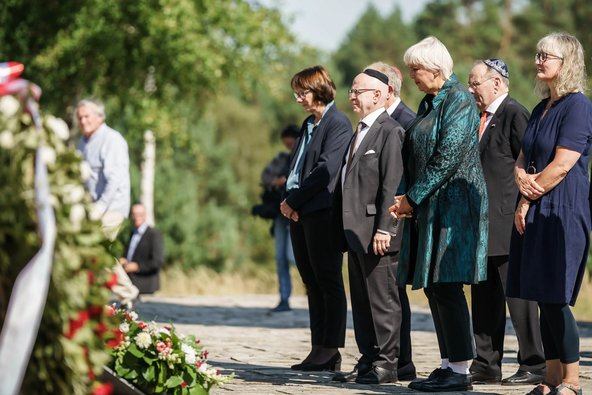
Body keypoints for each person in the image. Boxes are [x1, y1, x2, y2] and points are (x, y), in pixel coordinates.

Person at [389, 36, 488, 392]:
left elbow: (447, 156)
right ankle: (447, 364)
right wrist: (405, 195)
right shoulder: (429, 103)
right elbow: (414, 151)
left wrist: (411, 198)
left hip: (454, 210)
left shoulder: (459, 100)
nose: (413, 75)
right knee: (434, 287)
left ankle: (461, 372)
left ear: (435, 68)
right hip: (431, 207)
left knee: (447, 284)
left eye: (416, 69)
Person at [509, 32, 592, 395]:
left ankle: (572, 382)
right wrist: (521, 186)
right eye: (538, 53)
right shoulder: (542, 107)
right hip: (536, 206)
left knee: (557, 296)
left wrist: (528, 196)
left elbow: (562, 165)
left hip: (563, 209)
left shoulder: (578, 106)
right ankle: (550, 379)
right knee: (541, 295)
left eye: (547, 55)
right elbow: (523, 158)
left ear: (567, 63)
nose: (539, 60)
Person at [467, 58, 545, 385]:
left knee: (519, 296)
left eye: (475, 83)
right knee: (483, 296)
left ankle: (534, 363)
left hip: (508, 222)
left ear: (496, 83)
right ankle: (486, 362)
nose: (471, 90)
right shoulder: (478, 118)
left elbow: (531, 163)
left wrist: (523, 206)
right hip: (479, 224)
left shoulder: (515, 113)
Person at [331, 68, 409, 385]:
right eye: (351, 90)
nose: (352, 96)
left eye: (357, 90)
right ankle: (368, 359)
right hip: (353, 232)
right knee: (361, 302)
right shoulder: (358, 130)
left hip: (377, 231)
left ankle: (388, 364)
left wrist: (385, 227)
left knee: (383, 301)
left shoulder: (390, 131)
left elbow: (393, 183)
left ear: (378, 95)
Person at [280, 65, 351, 371]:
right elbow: (297, 170)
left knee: (328, 280)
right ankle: (317, 346)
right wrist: (291, 203)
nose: (298, 99)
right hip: (300, 212)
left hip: (322, 212)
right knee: (310, 281)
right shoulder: (308, 124)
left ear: (319, 89)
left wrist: (293, 200)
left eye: (302, 92)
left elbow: (324, 171)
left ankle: (331, 348)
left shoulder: (338, 124)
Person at [365, 60, 417, 379]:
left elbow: (401, 176)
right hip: (377, 220)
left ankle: (400, 360)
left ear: (387, 89)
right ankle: (392, 359)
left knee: (392, 295)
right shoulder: (375, 121)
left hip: (397, 218)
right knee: (386, 294)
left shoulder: (405, 121)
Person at [76, 98, 139, 307]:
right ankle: (124, 292)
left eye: (87, 116)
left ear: (99, 117)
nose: (83, 121)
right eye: (80, 117)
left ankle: (127, 292)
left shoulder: (111, 139)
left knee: (97, 247)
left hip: (112, 206)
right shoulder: (83, 142)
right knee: (89, 249)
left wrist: (101, 207)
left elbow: (115, 179)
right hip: (91, 208)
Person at [253, 125, 300, 312]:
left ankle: (312, 285)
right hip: (280, 214)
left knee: (292, 256)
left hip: (297, 213)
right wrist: (276, 181)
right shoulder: (282, 158)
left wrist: (286, 179)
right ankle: (284, 298)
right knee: (280, 257)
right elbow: (265, 176)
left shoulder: (303, 156)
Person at [119, 203, 165, 294]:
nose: (137, 217)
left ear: (145, 215)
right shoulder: (132, 233)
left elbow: (158, 261)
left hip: (146, 287)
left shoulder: (154, 234)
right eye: (134, 214)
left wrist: (138, 266)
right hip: (130, 285)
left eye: (140, 214)